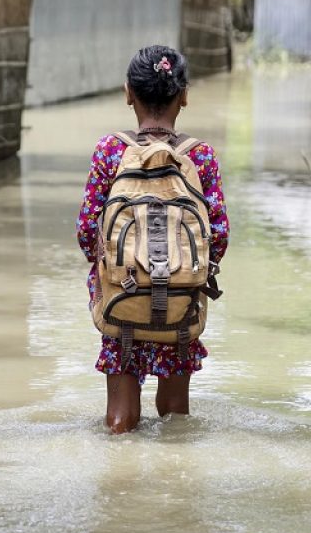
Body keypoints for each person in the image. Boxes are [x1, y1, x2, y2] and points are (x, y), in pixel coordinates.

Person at [76, 45, 229, 434]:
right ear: (184, 96)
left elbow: (87, 231)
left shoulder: (111, 151)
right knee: (175, 418)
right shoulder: (201, 156)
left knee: (120, 419)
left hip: (121, 296)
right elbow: (219, 236)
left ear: (128, 93)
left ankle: (119, 462)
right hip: (181, 299)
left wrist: (116, 266)